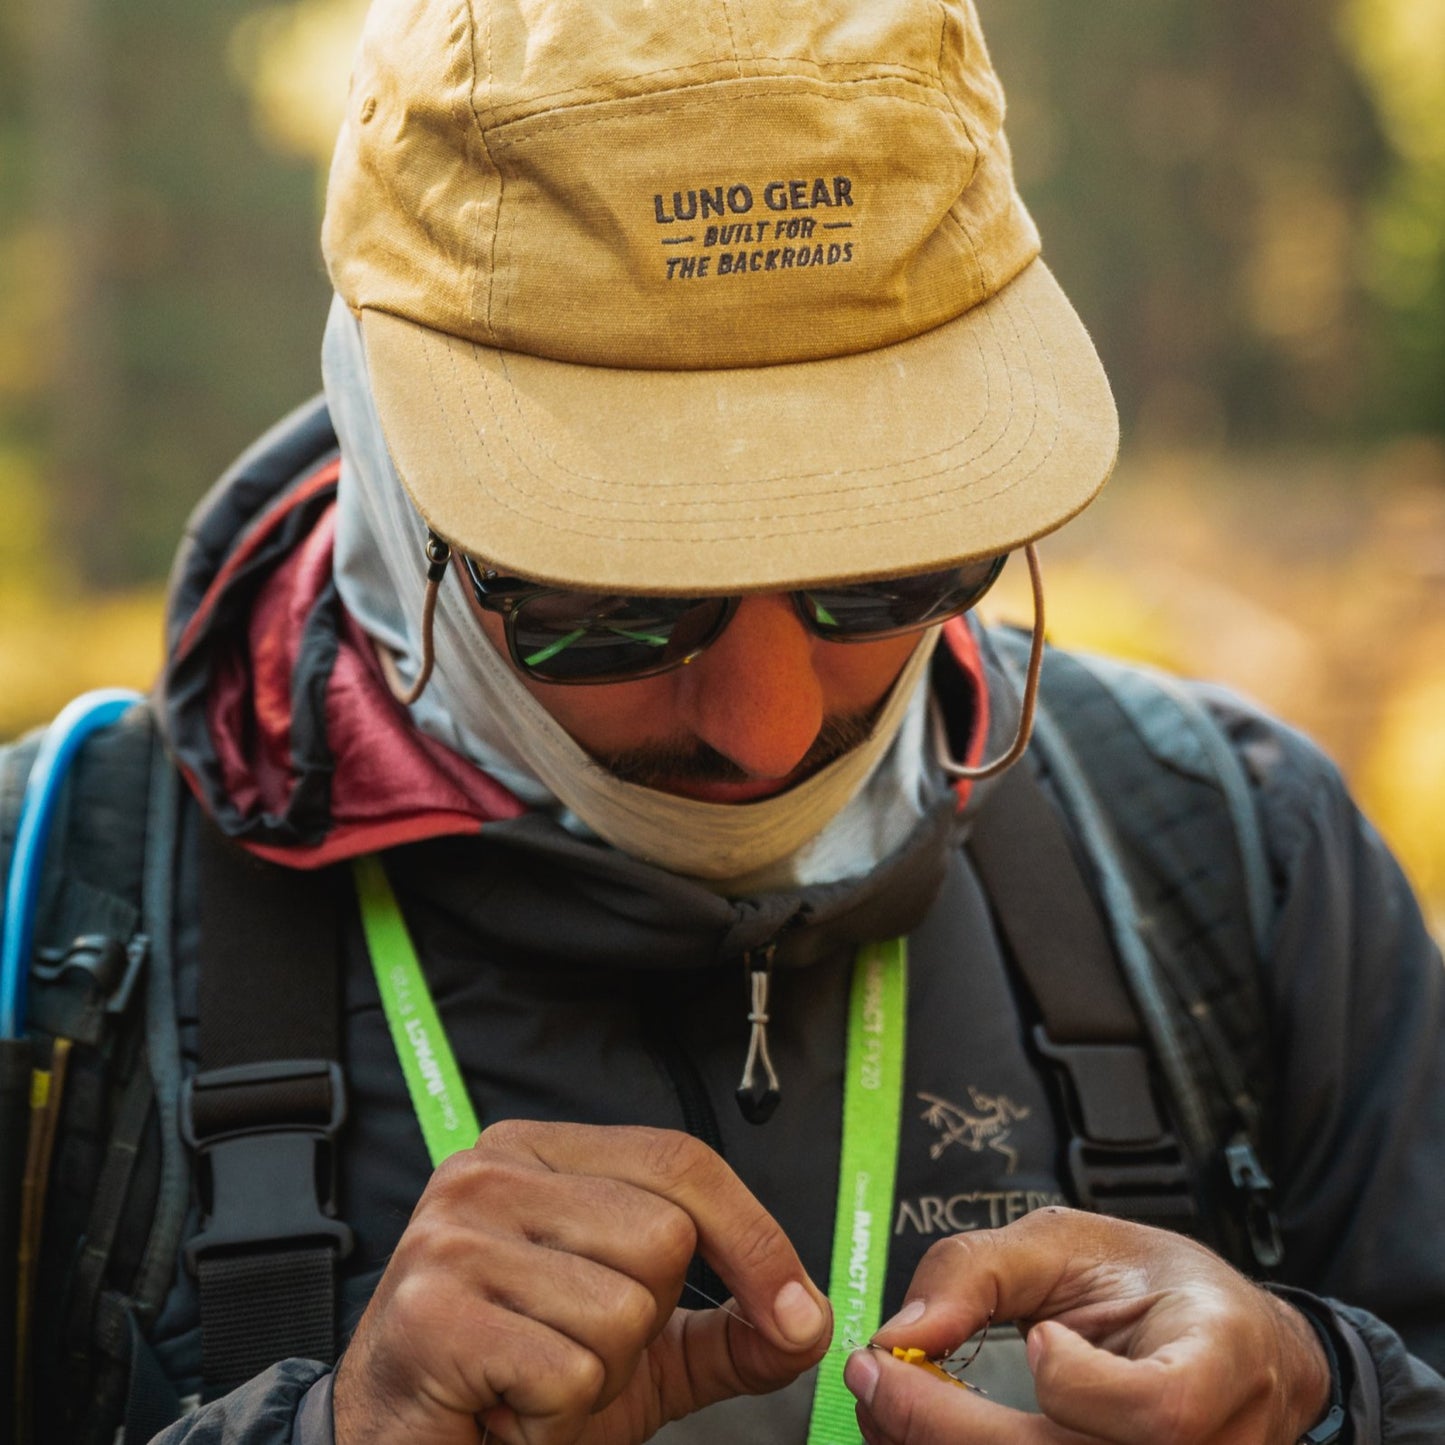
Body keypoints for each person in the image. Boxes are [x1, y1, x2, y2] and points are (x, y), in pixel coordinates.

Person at [8, 0, 1444, 1441]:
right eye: (613, 604)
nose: (763, 733)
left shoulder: (1240, 856)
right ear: (391, 469)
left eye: (883, 575)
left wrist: (1321, 1391)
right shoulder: (50, 915)